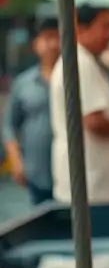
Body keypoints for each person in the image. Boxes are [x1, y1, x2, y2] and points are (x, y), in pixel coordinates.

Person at [50, 5, 109, 203]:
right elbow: (94, 121)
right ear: (81, 29)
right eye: (105, 27)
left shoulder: (85, 61)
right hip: (91, 187)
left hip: (96, 185)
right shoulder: (79, 63)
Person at [4, 18, 60, 204]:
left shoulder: (73, 79)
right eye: (47, 38)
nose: (53, 44)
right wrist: (16, 162)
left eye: (57, 38)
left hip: (71, 172)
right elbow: (9, 126)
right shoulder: (23, 83)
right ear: (36, 44)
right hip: (37, 172)